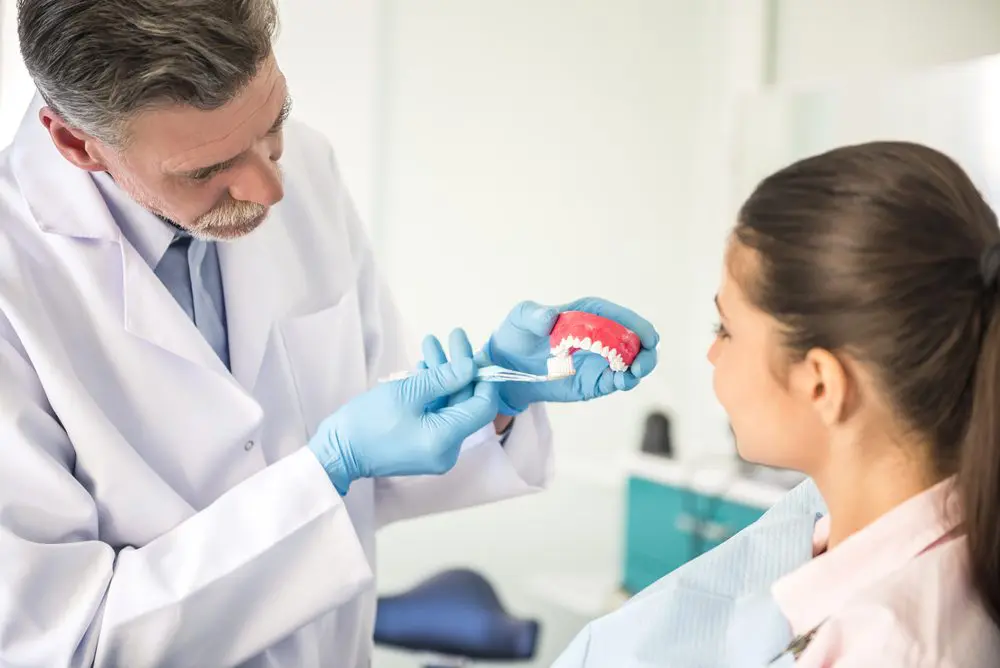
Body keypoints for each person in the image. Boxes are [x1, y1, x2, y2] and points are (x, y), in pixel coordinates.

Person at [0, 2, 660, 667]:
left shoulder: (306, 166)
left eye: (274, 123)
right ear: (77, 143)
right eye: (204, 171)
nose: (270, 186)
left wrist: (494, 398)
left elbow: (382, 445)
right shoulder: (14, 284)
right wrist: (326, 469)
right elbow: (69, 642)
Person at [553, 140, 1000, 667]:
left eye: (726, 329)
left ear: (820, 384)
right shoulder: (865, 535)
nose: (712, 353)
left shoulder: (890, 647)